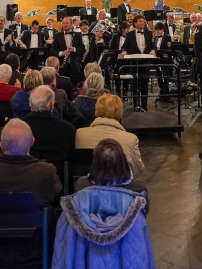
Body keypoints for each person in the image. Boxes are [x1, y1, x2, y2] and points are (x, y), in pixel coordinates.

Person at [53, 140, 153, 269]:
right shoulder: (138, 191)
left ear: (94, 164)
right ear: (123, 162)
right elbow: (144, 218)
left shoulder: (81, 186)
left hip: (87, 257)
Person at [0, 118, 61, 206]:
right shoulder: (47, 171)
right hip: (34, 220)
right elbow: (56, 192)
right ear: (32, 142)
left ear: (1, 145)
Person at [76, 94, 143, 174]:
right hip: (119, 183)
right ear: (120, 111)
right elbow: (138, 169)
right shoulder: (131, 139)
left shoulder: (80, 134)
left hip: (87, 183)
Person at [73, 138, 149, 206]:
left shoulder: (82, 185)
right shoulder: (138, 188)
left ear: (95, 162)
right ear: (122, 161)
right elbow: (143, 213)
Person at [24, 85, 76, 165]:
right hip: (58, 174)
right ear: (52, 105)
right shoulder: (67, 129)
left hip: (27, 174)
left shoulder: (20, 129)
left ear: (30, 103)